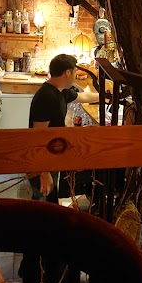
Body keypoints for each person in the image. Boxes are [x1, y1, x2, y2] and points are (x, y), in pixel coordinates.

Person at [28, 53, 101, 202]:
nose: (75, 76)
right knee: (42, 203)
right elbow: (38, 135)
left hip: (52, 154)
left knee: (51, 199)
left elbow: (83, 97)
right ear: (67, 73)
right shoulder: (47, 97)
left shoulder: (60, 91)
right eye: (74, 72)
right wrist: (44, 172)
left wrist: (106, 96)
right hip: (43, 160)